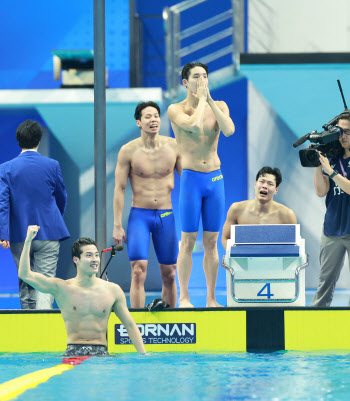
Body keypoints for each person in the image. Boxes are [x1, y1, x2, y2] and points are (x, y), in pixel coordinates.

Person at [167, 62, 235, 308]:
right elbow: (194, 126)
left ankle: (211, 298)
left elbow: (228, 130)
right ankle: (184, 297)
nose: (202, 80)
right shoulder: (175, 109)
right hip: (192, 180)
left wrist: (210, 102)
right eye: (196, 77)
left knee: (211, 242)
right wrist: (202, 101)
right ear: (185, 82)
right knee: (187, 241)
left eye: (205, 76)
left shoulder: (220, 106)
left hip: (215, 178)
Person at [19, 225, 146, 356]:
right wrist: (28, 240)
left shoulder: (113, 290)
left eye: (96, 255)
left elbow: (130, 325)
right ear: (76, 260)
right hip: (73, 353)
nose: (95, 259)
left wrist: (144, 356)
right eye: (89, 255)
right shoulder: (62, 288)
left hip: (101, 354)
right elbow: (25, 274)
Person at [113, 101, 181, 308]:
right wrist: (117, 224)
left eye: (156, 116)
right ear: (138, 122)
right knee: (137, 271)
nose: (153, 120)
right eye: (148, 117)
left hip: (166, 215)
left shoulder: (173, 146)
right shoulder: (128, 151)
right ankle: (138, 324)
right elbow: (120, 188)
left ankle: (171, 322)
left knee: (169, 273)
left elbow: (187, 183)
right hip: (139, 216)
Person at [0, 120, 69, 309]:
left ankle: (30, 329)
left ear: (18, 140)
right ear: (39, 139)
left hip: (19, 234)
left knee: (26, 280)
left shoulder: (6, 168)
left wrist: (3, 233)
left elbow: (3, 204)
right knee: (46, 283)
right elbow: (62, 196)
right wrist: (55, 219)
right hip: (49, 232)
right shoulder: (52, 165)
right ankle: (45, 330)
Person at [311, 112, 350, 307]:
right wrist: (318, 164)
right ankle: (313, 327)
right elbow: (321, 191)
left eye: (348, 132)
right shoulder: (333, 158)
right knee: (325, 283)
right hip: (333, 229)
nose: (342, 136)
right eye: (339, 131)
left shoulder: (333, 166)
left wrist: (331, 172)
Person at [221, 166, 297, 250]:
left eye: (270, 184)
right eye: (262, 181)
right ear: (255, 184)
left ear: (276, 190)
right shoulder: (236, 209)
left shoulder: (287, 215)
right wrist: (237, 259)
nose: (264, 186)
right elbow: (226, 238)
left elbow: (293, 246)